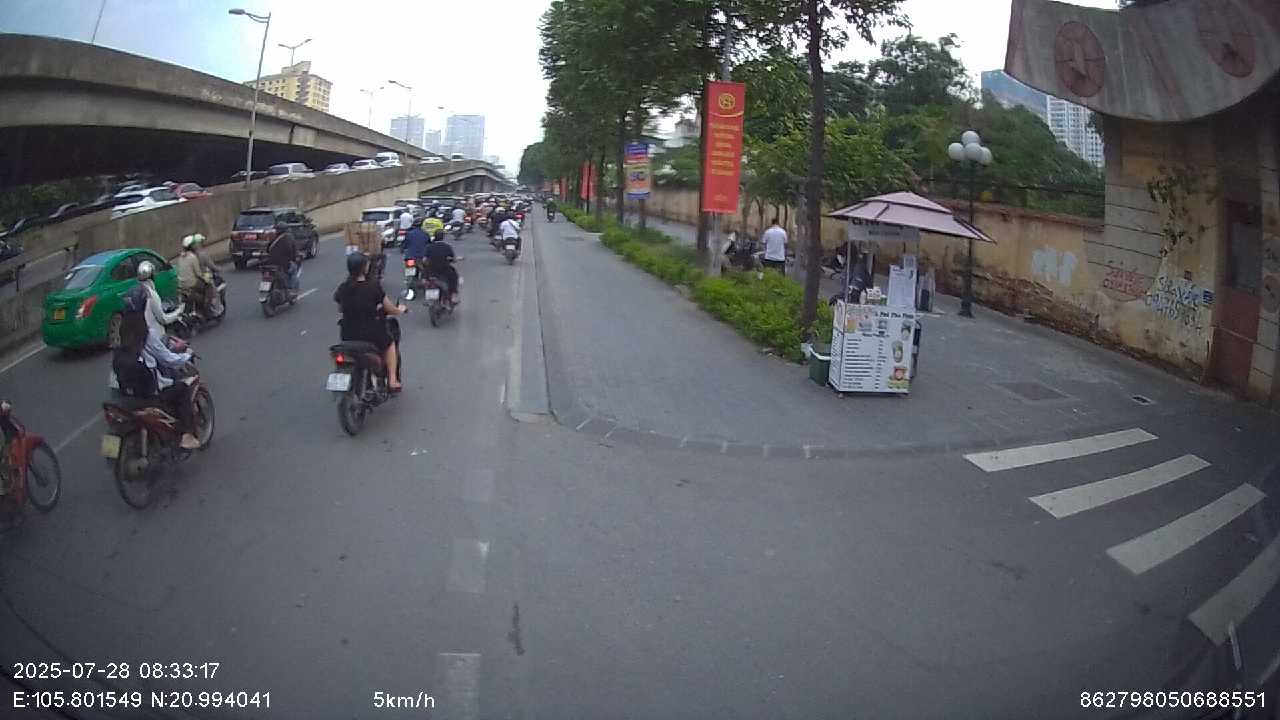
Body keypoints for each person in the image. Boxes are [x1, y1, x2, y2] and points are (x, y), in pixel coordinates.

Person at [111, 310, 201, 450]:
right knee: (182, 389)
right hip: (148, 399)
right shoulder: (146, 340)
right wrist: (187, 356)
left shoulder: (120, 350)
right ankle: (186, 434)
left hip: (125, 399)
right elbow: (167, 360)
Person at [334, 252, 407, 391]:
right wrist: (399, 310)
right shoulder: (373, 287)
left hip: (348, 333)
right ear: (365, 268)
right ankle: (392, 380)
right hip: (371, 332)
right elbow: (389, 308)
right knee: (390, 344)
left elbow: (340, 308)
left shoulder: (343, 288)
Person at [136, 260, 179, 339]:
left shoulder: (137, 291)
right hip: (156, 336)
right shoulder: (151, 294)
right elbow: (163, 319)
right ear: (151, 275)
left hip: (141, 337)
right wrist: (178, 313)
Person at [424, 233, 459, 304]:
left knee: (425, 276)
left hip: (431, 269)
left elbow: (424, 260)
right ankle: (453, 294)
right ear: (443, 237)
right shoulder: (447, 247)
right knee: (454, 277)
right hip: (444, 269)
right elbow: (453, 259)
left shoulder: (429, 247)